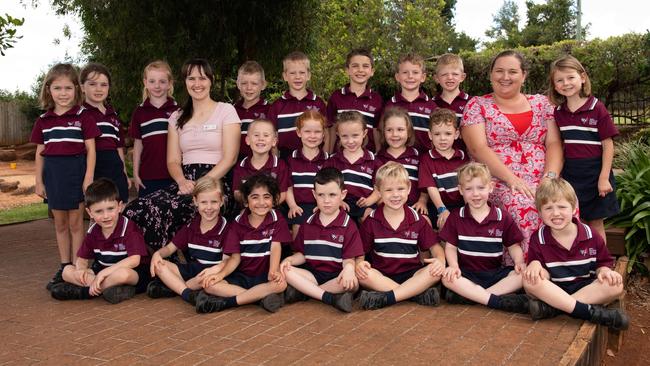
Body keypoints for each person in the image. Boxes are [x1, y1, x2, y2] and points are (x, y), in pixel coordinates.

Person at [123, 58, 241, 251]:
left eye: (202, 78)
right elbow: (173, 160)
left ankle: (174, 259)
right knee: (134, 210)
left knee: (174, 209)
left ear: (211, 80)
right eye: (191, 78)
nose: (197, 84)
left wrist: (201, 185)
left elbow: (230, 158)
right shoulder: (176, 117)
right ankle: (156, 264)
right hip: (184, 183)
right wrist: (181, 181)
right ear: (184, 82)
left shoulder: (226, 111)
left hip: (215, 182)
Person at [461, 50, 563, 259]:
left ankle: (562, 265)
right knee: (521, 204)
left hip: (541, 177)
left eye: (512, 72)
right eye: (499, 71)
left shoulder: (542, 103)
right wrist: (512, 179)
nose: (505, 77)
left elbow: (553, 143)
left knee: (561, 200)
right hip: (497, 179)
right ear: (490, 75)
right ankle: (526, 269)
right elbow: (478, 148)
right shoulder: (478, 105)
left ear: (523, 76)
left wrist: (550, 177)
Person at [523, 178, 628, 330]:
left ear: (573, 209)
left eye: (562, 207)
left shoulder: (590, 234)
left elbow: (603, 263)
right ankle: (589, 312)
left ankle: (554, 308)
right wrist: (535, 265)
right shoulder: (538, 238)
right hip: (554, 289)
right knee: (529, 281)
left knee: (615, 286)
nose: (556, 213)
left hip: (586, 288)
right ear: (539, 212)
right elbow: (540, 271)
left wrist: (605, 271)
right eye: (548, 208)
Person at [31, 63, 101, 290]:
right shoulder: (43, 120)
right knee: (60, 224)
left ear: (76, 90)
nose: (63, 94)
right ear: (49, 90)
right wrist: (39, 181)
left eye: (68, 88)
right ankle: (65, 266)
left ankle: (80, 267)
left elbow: (91, 150)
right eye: (58, 88)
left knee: (76, 224)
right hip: (54, 177)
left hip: (76, 175)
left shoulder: (83, 116)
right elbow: (40, 154)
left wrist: (88, 177)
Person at [440, 163, 529, 314]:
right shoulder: (456, 216)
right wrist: (453, 266)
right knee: (447, 278)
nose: (475, 194)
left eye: (481, 188)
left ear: (491, 187)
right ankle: (496, 301)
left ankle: (473, 296)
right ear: (461, 190)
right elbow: (450, 247)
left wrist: (519, 262)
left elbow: (513, 246)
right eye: (469, 189)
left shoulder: (502, 217)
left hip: (494, 273)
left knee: (522, 276)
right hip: (466, 274)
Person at [547, 55, 619, 242]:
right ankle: (581, 259)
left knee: (595, 222)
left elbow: (608, 145)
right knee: (576, 220)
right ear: (555, 86)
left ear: (582, 77)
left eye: (571, 77)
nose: (566, 83)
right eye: (560, 80)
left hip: (595, 173)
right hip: (572, 174)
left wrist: (604, 177)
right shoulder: (559, 112)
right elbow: (560, 145)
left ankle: (601, 264)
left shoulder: (597, 108)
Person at [195, 174, 292, 313]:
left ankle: (228, 302)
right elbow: (235, 257)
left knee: (280, 285)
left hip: (265, 276)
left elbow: (276, 247)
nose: (261, 202)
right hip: (242, 276)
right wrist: (220, 275)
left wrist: (273, 271)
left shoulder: (278, 219)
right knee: (210, 285)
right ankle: (259, 297)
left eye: (267, 197)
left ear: (274, 200)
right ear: (246, 201)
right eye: (255, 197)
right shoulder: (237, 223)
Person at [356, 162, 445, 310]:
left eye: (400, 189)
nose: (395, 195)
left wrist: (440, 261)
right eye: (389, 190)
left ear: (409, 188)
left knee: (434, 272)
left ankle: (388, 297)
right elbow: (360, 254)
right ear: (379, 191)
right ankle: (414, 294)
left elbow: (436, 249)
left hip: (412, 274)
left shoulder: (418, 219)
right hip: (381, 275)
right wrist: (360, 263)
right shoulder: (371, 220)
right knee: (362, 274)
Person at [50, 178, 150, 304]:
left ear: (119, 207)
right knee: (67, 271)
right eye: (99, 211)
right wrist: (81, 269)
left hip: (133, 273)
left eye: (110, 209)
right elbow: (82, 258)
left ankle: (84, 292)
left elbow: (134, 260)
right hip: (102, 271)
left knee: (123, 274)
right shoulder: (93, 231)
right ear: (89, 212)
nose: (106, 216)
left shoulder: (129, 228)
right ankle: (108, 289)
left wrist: (104, 274)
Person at [281, 168, 364, 312]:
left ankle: (307, 292)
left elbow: (349, 259)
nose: (326, 201)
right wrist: (290, 261)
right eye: (321, 195)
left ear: (342, 194)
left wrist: (349, 269)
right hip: (313, 275)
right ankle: (328, 297)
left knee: (353, 282)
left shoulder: (348, 225)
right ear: (314, 194)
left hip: (336, 277)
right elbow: (302, 254)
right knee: (285, 269)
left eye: (332, 195)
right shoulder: (308, 223)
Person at [147, 176, 228, 305]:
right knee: (159, 265)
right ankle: (188, 293)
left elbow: (227, 262)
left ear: (221, 201)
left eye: (213, 202)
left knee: (209, 281)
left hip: (212, 273)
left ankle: (177, 289)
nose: (209, 207)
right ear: (195, 201)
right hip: (192, 271)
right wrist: (158, 254)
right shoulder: (191, 226)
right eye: (203, 202)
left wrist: (214, 271)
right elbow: (169, 248)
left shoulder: (227, 228)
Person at [80, 63, 131, 203]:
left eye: (103, 85)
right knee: (99, 209)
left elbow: (119, 147)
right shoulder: (80, 114)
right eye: (93, 84)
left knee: (120, 207)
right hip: (95, 169)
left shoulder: (112, 114)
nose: (98, 89)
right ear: (82, 87)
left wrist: (124, 173)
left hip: (115, 169)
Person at [129, 60, 178, 197]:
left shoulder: (177, 110)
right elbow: (138, 145)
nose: (157, 86)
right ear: (145, 82)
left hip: (173, 175)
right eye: (152, 81)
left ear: (169, 84)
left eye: (162, 81)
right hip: (148, 176)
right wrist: (135, 173)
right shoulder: (140, 112)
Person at [268, 51, 327, 157]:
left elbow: (326, 133)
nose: (297, 77)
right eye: (292, 73)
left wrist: (326, 157)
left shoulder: (318, 103)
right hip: (285, 161)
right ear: (285, 76)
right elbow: (273, 139)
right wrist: (276, 165)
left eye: (302, 73)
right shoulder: (277, 106)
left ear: (308, 75)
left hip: (315, 159)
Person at [324, 111, 381, 221]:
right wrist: (338, 201)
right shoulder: (333, 161)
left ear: (364, 133)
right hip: (341, 204)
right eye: (344, 136)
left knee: (370, 217)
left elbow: (379, 188)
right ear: (338, 134)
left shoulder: (373, 161)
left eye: (355, 135)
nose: (350, 141)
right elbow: (326, 186)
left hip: (365, 205)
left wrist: (370, 200)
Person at [419, 108, 468, 229]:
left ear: (456, 134)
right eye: (437, 134)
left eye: (448, 133)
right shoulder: (427, 159)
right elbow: (431, 188)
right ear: (430, 135)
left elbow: (468, 185)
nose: (442, 138)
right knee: (439, 222)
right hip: (438, 205)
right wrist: (442, 209)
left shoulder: (462, 157)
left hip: (460, 204)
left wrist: (468, 208)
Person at [327, 48, 384, 152]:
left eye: (365, 66)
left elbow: (377, 130)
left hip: (367, 160)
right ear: (347, 70)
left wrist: (378, 154)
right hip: (340, 158)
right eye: (355, 66)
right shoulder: (337, 96)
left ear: (372, 71)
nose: (360, 70)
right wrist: (329, 154)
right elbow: (331, 129)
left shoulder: (377, 99)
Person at [375, 107, 428, 213]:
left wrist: (422, 201)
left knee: (426, 222)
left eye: (400, 129)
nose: (395, 134)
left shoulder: (418, 157)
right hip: (387, 208)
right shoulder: (378, 158)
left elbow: (425, 184)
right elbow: (377, 189)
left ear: (408, 132)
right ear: (384, 133)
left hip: (414, 207)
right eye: (389, 130)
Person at [285, 110, 330, 237]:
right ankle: (296, 255)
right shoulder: (291, 159)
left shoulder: (328, 160)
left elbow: (332, 186)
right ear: (299, 132)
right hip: (298, 206)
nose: (312, 136)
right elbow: (288, 186)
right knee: (298, 226)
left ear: (323, 134)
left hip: (321, 205)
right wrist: (292, 205)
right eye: (307, 131)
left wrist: (322, 205)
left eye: (317, 132)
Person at [384, 53, 438, 153]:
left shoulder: (432, 107)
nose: (410, 76)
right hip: (398, 162)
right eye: (405, 72)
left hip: (425, 162)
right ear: (397, 77)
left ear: (423, 77)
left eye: (415, 72)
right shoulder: (389, 105)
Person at [232, 119, 290, 206]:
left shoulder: (280, 165)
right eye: (256, 135)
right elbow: (237, 192)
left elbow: (282, 194)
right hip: (248, 210)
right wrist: (252, 204)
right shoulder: (241, 166)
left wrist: (266, 206)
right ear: (247, 140)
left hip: (273, 210)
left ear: (274, 141)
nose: (261, 139)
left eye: (266, 135)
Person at [234, 61, 269, 159]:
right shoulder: (232, 111)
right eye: (244, 83)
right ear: (238, 84)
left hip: (261, 165)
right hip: (236, 167)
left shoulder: (270, 110)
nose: (249, 88)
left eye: (254, 83)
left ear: (263, 85)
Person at [431, 53, 470, 124]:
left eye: (455, 74)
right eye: (444, 74)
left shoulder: (471, 103)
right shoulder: (431, 104)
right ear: (436, 78)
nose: (449, 77)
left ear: (462, 77)